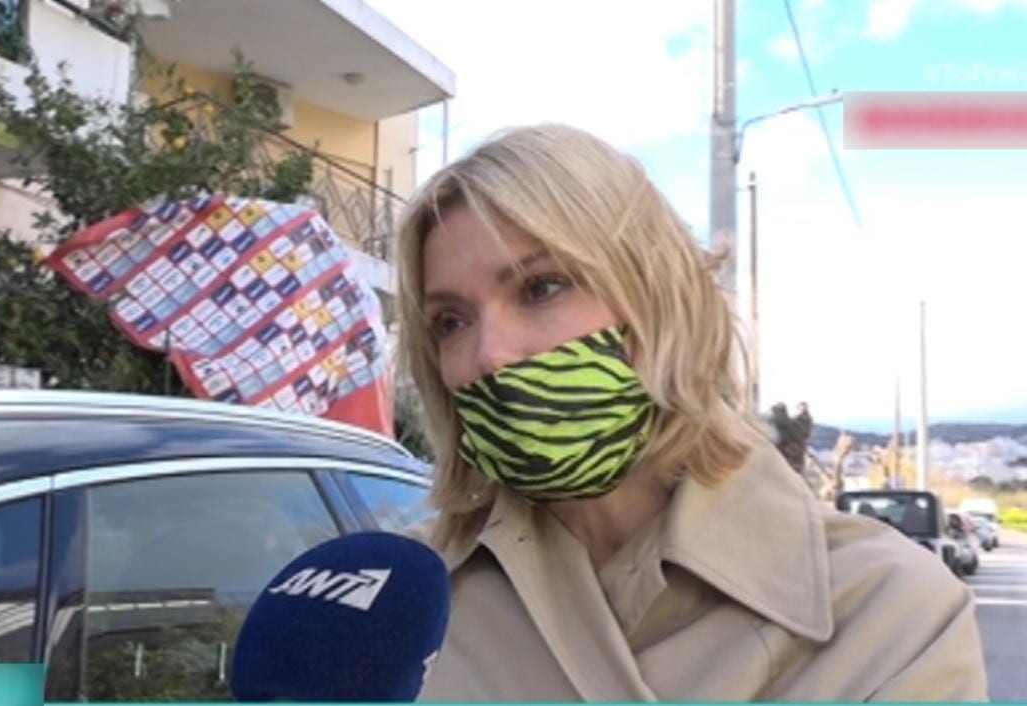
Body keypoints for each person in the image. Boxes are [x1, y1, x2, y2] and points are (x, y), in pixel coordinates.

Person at [394, 124, 987, 701]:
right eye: (451, 322)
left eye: (541, 288)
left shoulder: (888, 611)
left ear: (660, 299)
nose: (489, 354)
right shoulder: (398, 601)